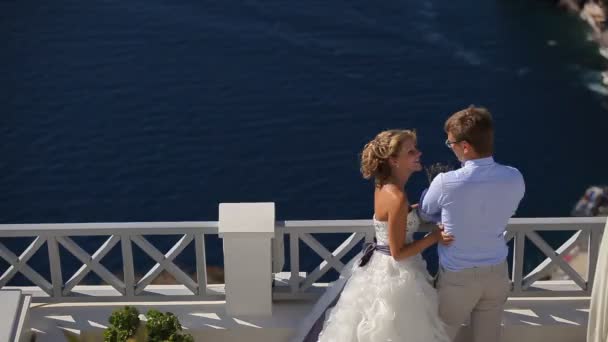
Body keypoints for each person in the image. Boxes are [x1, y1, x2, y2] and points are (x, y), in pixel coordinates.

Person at [292, 129, 452, 342]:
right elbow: (398, 252)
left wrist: (415, 211)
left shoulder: (383, 187)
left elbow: (393, 221)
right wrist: (433, 237)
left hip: (378, 263)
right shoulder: (396, 196)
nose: (419, 153)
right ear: (394, 161)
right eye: (411, 151)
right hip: (396, 274)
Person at [420, 105, 525, 342]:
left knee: (440, 336)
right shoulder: (514, 176)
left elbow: (426, 213)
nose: (451, 148)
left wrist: (436, 198)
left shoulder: (445, 182)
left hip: (459, 276)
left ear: (465, 146)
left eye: (451, 144)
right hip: (497, 272)